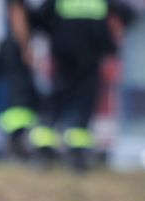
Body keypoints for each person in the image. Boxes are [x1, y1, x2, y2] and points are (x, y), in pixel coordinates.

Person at [25, 0, 134, 170]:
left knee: (55, 104)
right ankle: (75, 156)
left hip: (64, 59)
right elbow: (128, 14)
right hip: (89, 60)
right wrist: (113, 36)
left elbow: (38, 19)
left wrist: (54, 33)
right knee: (82, 106)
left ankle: (44, 153)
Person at [0, 0, 40, 156]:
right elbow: (17, 14)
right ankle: (16, 145)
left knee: (19, 99)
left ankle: (16, 144)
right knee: (20, 99)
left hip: (17, 45)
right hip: (19, 47)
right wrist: (25, 48)